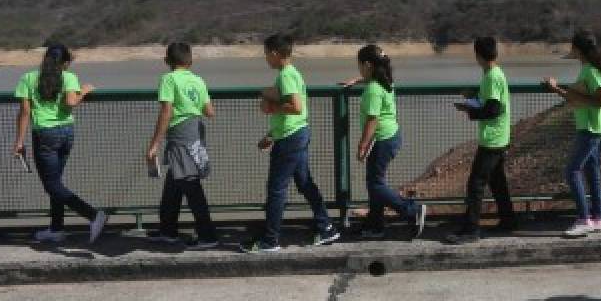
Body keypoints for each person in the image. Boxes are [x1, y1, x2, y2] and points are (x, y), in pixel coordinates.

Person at [241, 34, 340, 252]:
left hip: (290, 140)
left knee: (276, 190)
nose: (266, 58)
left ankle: (270, 240)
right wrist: (271, 134)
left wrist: (270, 107)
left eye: (266, 54)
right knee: (305, 183)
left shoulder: (286, 75)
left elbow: (296, 107)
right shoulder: (292, 73)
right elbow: (294, 112)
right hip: (295, 133)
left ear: (275, 53)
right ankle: (327, 227)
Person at [12, 44, 107, 244]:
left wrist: (19, 141)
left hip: (45, 135)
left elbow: (25, 112)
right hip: (66, 132)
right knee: (56, 182)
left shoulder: (28, 78)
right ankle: (56, 229)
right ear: (65, 62)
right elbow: (71, 103)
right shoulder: (69, 77)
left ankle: (93, 215)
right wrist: (85, 92)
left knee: (52, 185)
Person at [340, 45, 427, 240]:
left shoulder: (373, 90)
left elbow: (372, 120)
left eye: (360, 66)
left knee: (376, 184)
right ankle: (375, 225)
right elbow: (373, 82)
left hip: (381, 141)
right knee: (375, 183)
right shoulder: (385, 81)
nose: (359, 70)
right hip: (391, 137)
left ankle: (412, 210)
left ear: (368, 65)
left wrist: (362, 145)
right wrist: (358, 80)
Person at [145, 42, 219, 248]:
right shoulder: (198, 80)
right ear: (190, 61)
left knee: (190, 185)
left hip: (179, 135)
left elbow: (166, 112)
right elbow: (210, 112)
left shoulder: (168, 79)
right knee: (174, 185)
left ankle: (208, 236)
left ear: (167, 61)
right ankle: (167, 231)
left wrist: (154, 144)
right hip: (195, 132)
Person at [446, 36, 517, 244]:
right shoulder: (491, 74)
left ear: (477, 55)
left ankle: (472, 230)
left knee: (475, 184)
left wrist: (470, 110)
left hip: (493, 139)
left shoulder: (493, 76)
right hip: (497, 136)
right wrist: (474, 95)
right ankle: (508, 220)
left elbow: (493, 109)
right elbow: (490, 101)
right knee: (497, 182)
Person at [542, 30, 601, 238]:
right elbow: (578, 98)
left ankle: (584, 219)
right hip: (592, 126)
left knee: (572, 171)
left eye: (573, 47)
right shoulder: (589, 69)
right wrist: (557, 89)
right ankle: (598, 218)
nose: (571, 50)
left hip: (591, 128)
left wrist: (561, 90)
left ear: (578, 49)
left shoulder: (590, 71)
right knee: (591, 171)